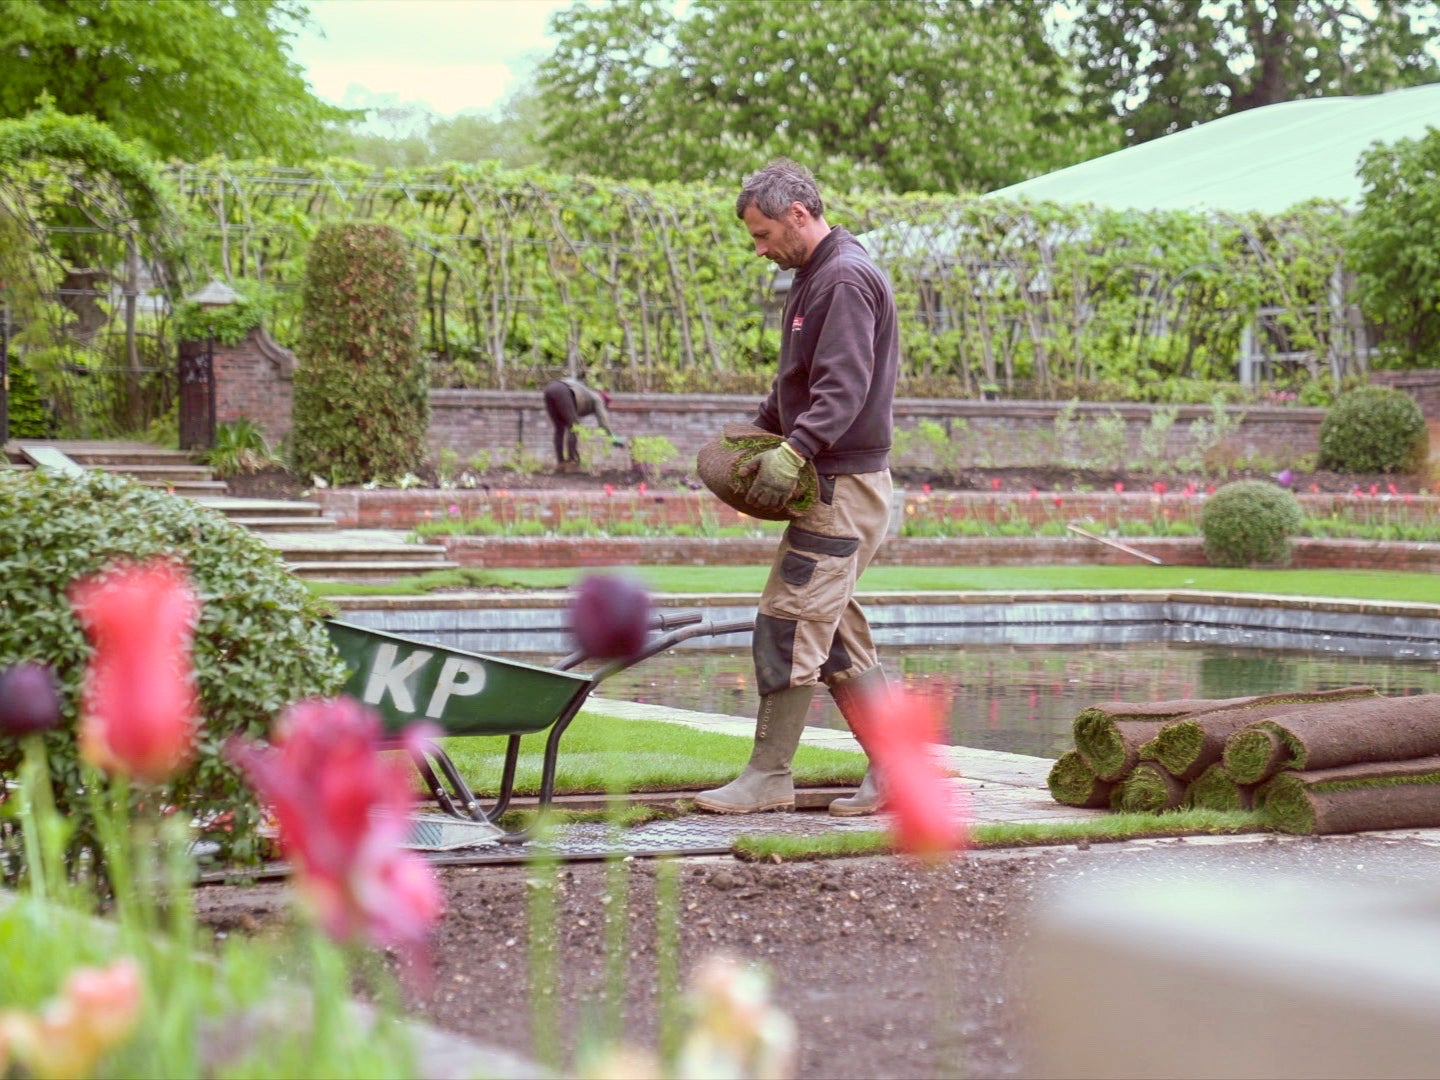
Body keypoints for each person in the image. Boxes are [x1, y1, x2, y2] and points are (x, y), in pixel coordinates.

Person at [695, 158, 899, 818]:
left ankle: (769, 776)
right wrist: (760, 431)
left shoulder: (842, 278)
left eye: (762, 236)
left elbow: (843, 389)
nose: (760, 251)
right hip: (837, 482)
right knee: (834, 634)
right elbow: (802, 380)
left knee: (787, 623)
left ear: (799, 215)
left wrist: (796, 452)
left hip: (839, 486)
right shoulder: (819, 274)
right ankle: (897, 776)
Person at [542, 375, 625, 469]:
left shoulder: (586, 394)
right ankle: (571, 461)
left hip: (550, 388)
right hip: (563, 390)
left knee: (559, 428)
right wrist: (611, 437)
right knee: (575, 427)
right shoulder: (598, 399)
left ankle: (561, 462)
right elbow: (603, 421)